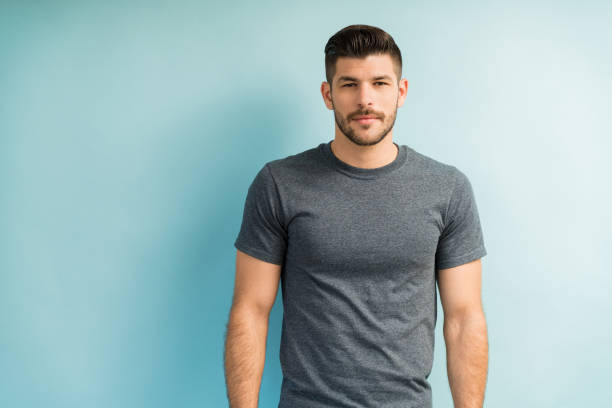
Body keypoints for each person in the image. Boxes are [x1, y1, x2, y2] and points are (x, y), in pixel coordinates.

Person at [224, 24, 488, 408]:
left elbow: (464, 319)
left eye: (380, 83)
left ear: (401, 91)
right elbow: (250, 310)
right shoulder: (279, 184)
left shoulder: (447, 189)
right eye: (349, 84)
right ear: (327, 94)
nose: (365, 99)